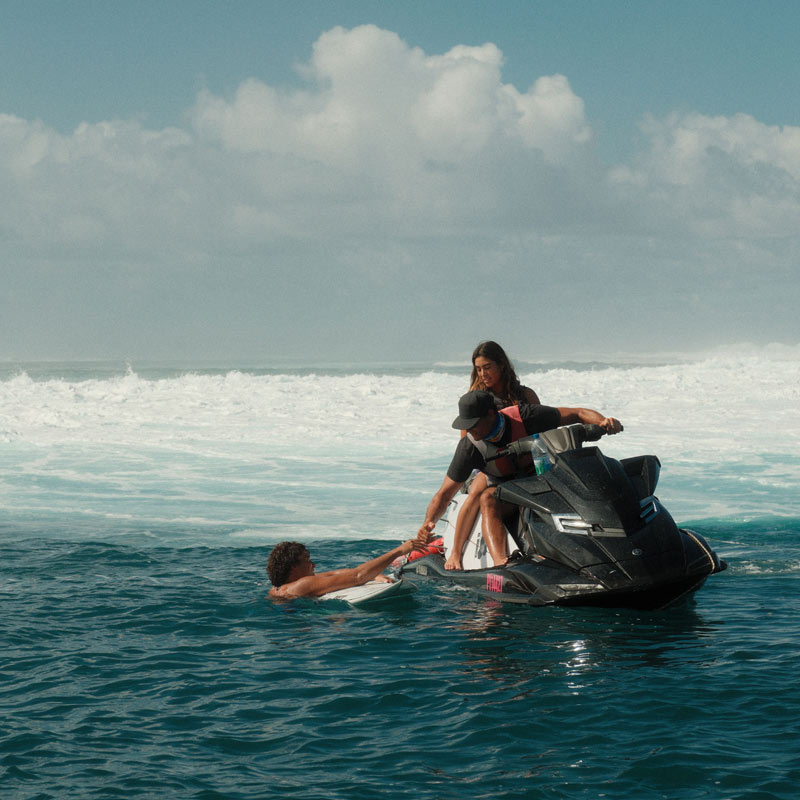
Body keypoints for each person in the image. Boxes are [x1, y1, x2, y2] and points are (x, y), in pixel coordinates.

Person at [420, 390, 623, 568]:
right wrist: (429, 523)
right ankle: (502, 562)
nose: (470, 430)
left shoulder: (526, 416)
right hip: (506, 489)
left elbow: (577, 413)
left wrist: (603, 421)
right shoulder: (470, 447)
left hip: (544, 478)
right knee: (486, 497)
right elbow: (445, 493)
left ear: (491, 414)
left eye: (473, 424)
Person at [447, 341, 540, 569]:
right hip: (487, 465)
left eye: (487, 367)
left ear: (502, 365)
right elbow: (467, 445)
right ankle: (455, 554)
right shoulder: (476, 400)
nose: (483, 373)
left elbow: (541, 432)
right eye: (478, 369)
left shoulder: (525, 395)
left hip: (524, 463)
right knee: (479, 489)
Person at [267, 538, 423, 599]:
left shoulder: (278, 588)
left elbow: (333, 574)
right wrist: (399, 550)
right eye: (307, 561)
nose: (313, 565)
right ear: (294, 567)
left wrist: (375, 576)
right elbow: (357, 576)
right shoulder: (303, 585)